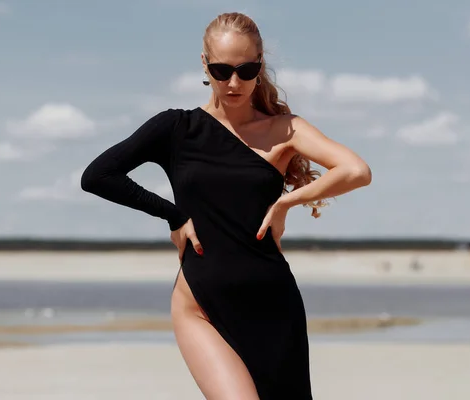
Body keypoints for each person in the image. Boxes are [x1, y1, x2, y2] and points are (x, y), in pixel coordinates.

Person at [81, 11, 371, 400]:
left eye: (246, 70)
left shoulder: (285, 129)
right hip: (201, 305)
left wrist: (289, 200)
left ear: (260, 64)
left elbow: (356, 170)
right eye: (221, 70)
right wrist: (173, 214)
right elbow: (98, 175)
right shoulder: (176, 128)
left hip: (273, 306)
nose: (234, 83)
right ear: (204, 63)